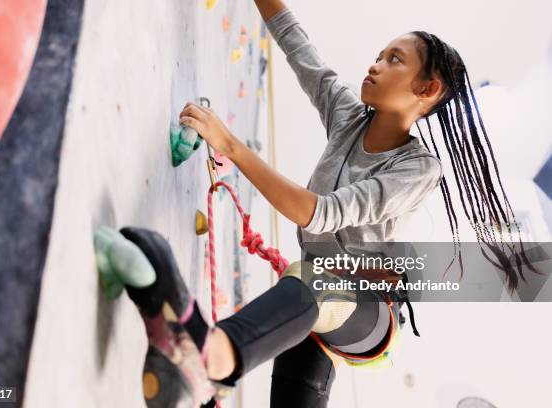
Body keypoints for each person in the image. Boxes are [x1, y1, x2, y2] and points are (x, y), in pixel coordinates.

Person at [96, 1, 538, 406]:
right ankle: (204, 369)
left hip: (366, 310)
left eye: (394, 60)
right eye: (380, 54)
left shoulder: (419, 167)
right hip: (312, 300)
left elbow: (320, 212)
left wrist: (229, 143)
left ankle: (208, 360)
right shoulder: (346, 116)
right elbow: (293, 40)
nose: (376, 63)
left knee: (311, 279)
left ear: (427, 88)